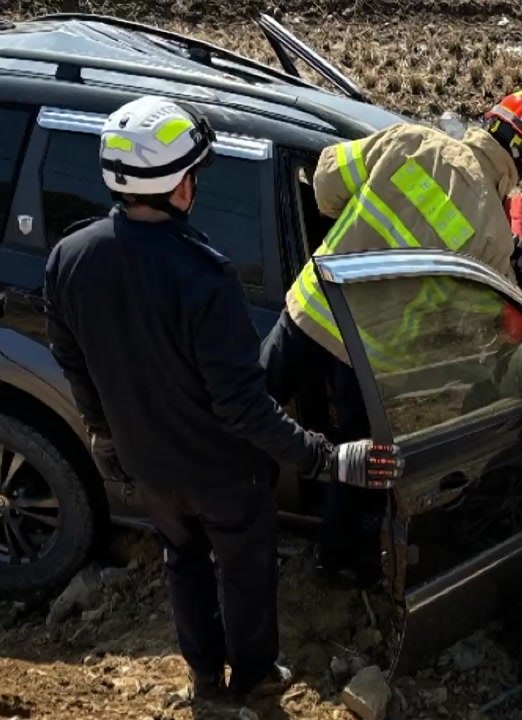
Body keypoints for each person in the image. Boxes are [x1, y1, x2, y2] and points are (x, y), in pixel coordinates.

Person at [43, 96, 404, 705]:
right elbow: (244, 407)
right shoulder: (203, 275)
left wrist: (104, 430)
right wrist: (327, 458)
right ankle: (255, 677)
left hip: (147, 462)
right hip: (222, 470)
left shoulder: (68, 257)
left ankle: (206, 680)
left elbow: (72, 359)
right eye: (193, 173)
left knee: (181, 558)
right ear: (177, 186)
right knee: (243, 571)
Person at [260, 89, 522, 582]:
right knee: (355, 465)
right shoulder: (492, 232)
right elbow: (489, 323)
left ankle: (212, 516)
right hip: (366, 354)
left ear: (489, 119)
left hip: (309, 310)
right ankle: (333, 562)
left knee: (247, 415)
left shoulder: (409, 140)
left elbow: (326, 188)